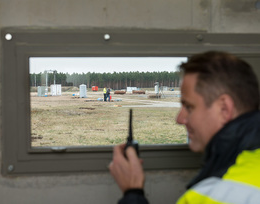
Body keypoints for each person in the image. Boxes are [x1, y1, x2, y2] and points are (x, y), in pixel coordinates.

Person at [109, 51, 260, 203]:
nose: (179, 119)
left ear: (224, 109)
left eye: (189, 107)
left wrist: (133, 192)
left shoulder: (215, 194)